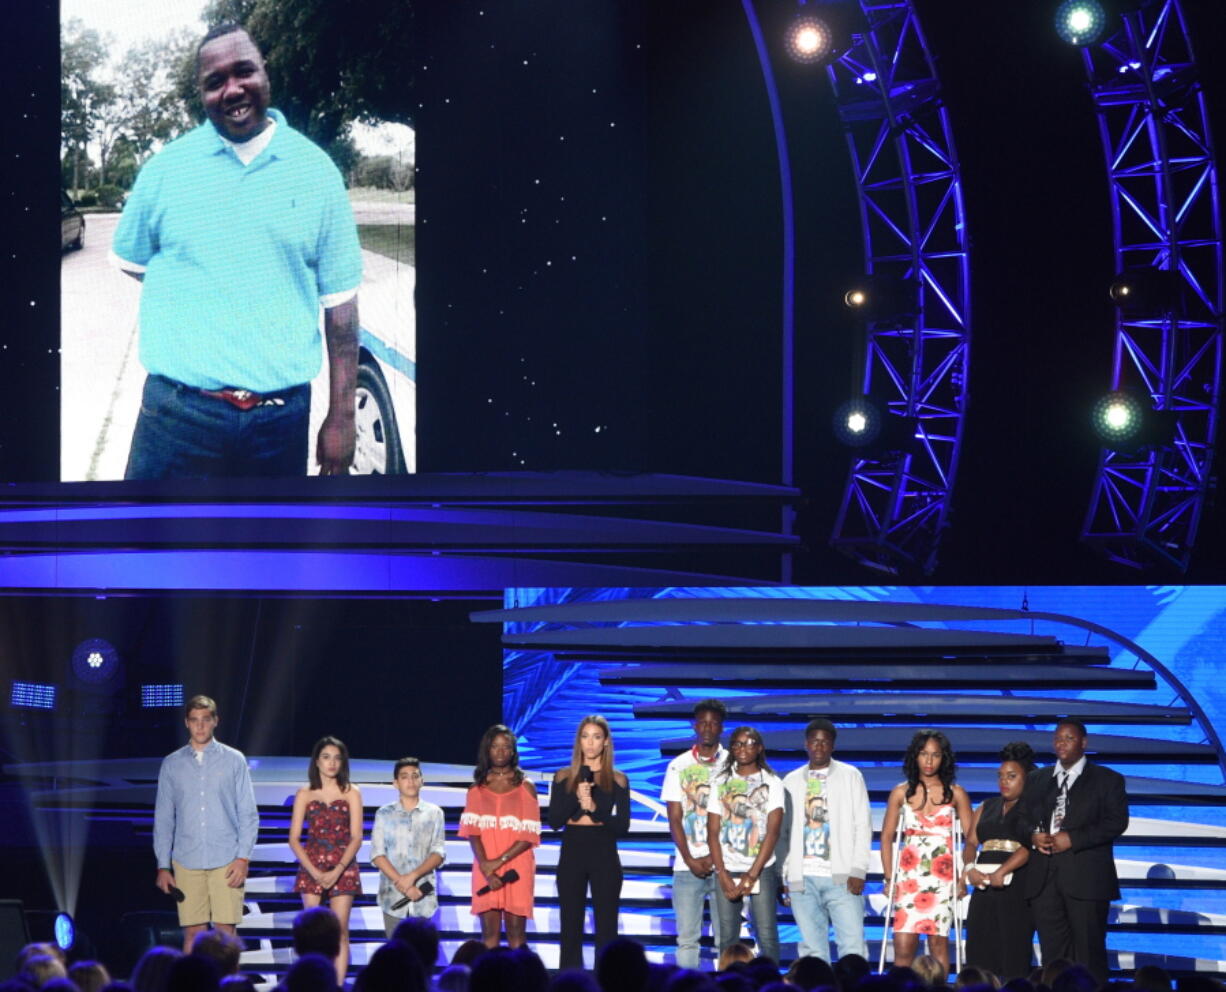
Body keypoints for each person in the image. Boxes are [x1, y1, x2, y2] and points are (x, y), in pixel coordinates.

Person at [110, 23, 363, 479]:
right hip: (177, 420)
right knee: (152, 548)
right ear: (201, 93)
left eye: (243, 71)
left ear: (265, 71)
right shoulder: (165, 170)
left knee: (266, 549)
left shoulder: (317, 172)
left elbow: (342, 312)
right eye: (214, 82)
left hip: (281, 422)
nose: (232, 89)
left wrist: (343, 416)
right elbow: (133, 263)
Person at [1023, 720, 1128, 984]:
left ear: (1083, 742)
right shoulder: (1036, 779)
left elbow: (1117, 822)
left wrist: (1073, 838)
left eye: (1068, 738)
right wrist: (1032, 836)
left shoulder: (1108, 779)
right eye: (1057, 738)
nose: (1061, 743)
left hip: (1086, 880)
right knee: (1053, 958)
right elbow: (1019, 819)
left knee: (1088, 955)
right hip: (1044, 880)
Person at [154, 694, 259, 952]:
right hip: (186, 860)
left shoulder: (234, 759)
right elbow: (164, 818)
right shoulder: (172, 764)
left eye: (205, 720)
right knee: (193, 933)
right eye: (194, 720)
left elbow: (248, 813)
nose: (200, 726)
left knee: (226, 933)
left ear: (215, 721)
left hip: (226, 859)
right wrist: (163, 865)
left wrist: (243, 858)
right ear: (186, 723)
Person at [880, 730, 973, 973]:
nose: (929, 761)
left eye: (935, 755)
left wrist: (964, 876)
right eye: (924, 754)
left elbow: (971, 839)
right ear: (915, 756)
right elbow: (887, 836)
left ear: (944, 759)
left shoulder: (957, 794)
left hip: (941, 878)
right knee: (903, 944)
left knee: (938, 944)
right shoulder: (901, 793)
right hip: (908, 877)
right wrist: (889, 877)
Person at [780, 718, 872, 962]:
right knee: (812, 954)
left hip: (842, 877)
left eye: (825, 741)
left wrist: (858, 869)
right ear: (806, 744)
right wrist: (786, 874)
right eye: (814, 741)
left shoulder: (851, 775)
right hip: (803, 878)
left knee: (852, 949)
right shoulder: (790, 781)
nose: (819, 746)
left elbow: (863, 824)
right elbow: (784, 832)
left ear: (832, 745)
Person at [549, 715, 631, 970]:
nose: (590, 743)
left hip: (603, 850)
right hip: (573, 848)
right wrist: (576, 797)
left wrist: (595, 809)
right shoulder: (563, 776)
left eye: (596, 737)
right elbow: (554, 821)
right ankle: (570, 982)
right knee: (570, 924)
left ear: (606, 742)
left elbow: (622, 827)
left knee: (606, 926)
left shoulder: (617, 779)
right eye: (585, 737)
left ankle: (607, 981)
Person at [707, 725, 785, 966]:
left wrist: (752, 875)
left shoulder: (772, 782)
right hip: (727, 869)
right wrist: (721, 873)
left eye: (749, 743)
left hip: (761, 869)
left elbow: (772, 832)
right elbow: (712, 830)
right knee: (727, 938)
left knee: (767, 935)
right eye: (738, 744)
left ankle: (769, 983)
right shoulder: (720, 780)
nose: (743, 748)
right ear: (732, 748)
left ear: (759, 748)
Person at [459, 725, 542, 948]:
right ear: (487, 750)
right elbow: (472, 832)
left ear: (513, 751)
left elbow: (529, 835)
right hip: (485, 867)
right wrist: (487, 867)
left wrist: (499, 862)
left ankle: (520, 981)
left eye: (506, 747)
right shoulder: (476, 789)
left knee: (516, 933)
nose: (500, 752)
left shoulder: (526, 787)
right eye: (495, 747)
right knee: (489, 935)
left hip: (516, 867)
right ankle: (490, 982)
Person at [288, 736, 363, 983]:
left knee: (339, 931)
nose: (331, 763)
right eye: (326, 757)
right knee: (312, 933)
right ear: (317, 761)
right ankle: (312, 984)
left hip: (343, 867)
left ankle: (337, 986)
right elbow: (294, 839)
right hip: (312, 866)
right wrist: (314, 871)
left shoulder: (351, 792)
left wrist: (337, 870)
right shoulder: (305, 793)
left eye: (337, 758)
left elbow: (356, 837)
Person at [661, 698, 729, 969]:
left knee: (727, 939)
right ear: (694, 725)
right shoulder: (678, 765)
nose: (708, 728)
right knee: (687, 940)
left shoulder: (733, 764)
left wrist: (716, 860)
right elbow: (674, 818)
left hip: (725, 866)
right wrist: (690, 859)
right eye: (703, 722)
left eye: (713, 723)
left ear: (722, 727)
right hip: (686, 866)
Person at [963, 742, 1036, 980]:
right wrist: (969, 869)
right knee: (979, 948)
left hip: (1017, 886)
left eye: (1012, 776)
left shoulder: (1035, 807)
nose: (1004, 781)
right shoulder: (986, 806)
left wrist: (1003, 872)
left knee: (1013, 951)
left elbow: (1030, 846)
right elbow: (971, 843)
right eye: (1001, 776)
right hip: (983, 887)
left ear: (1027, 778)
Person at [372, 756, 447, 942]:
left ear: (422, 780)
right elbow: (377, 854)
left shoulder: (435, 813)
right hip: (392, 899)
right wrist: (402, 883)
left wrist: (412, 877)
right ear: (395, 783)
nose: (411, 781)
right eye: (404, 777)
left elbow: (438, 852)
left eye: (415, 776)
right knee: (395, 957)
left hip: (423, 896)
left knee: (423, 956)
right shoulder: (383, 814)